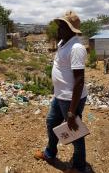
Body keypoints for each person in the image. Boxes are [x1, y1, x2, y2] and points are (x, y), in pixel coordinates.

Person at [34, 10, 88, 173]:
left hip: (70, 99)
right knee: (51, 122)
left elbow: (79, 81)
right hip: (60, 96)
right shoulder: (63, 43)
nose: (58, 30)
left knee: (75, 133)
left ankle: (79, 167)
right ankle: (50, 153)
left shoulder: (77, 48)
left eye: (62, 26)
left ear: (71, 29)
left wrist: (71, 112)